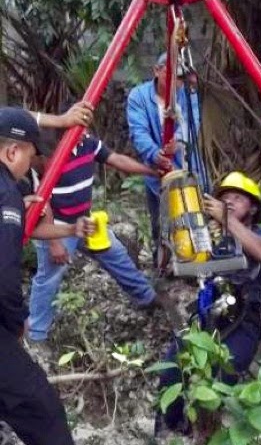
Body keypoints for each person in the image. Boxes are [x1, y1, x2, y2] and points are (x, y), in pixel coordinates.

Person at [28, 114, 170, 345]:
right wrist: (54, 242)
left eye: (84, 129)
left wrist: (150, 171)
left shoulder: (89, 145)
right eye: (78, 129)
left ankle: (146, 297)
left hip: (85, 222)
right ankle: (36, 335)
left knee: (116, 254)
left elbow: (117, 160)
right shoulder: (49, 154)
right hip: (58, 227)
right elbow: (41, 199)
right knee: (49, 279)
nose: (84, 134)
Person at [0, 107, 95, 445]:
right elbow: (3, 277)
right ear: (12, 151)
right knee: (43, 412)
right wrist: (17, 320)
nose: (31, 163)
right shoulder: (5, 190)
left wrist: (70, 227)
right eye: (29, 154)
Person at [156, 172, 261, 432]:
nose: (230, 201)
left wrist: (228, 219)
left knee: (222, 376)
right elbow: (172, 266)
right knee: (171, 372)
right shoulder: (205, 237)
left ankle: (203, 431)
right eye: (225, 197)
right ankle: (169, 431)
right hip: (206, 315)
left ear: (253, 208)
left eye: (237, 198)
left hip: (243, 320)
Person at [126, 52, 205, 260]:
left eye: (179, 77)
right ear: (156, 70)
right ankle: (162, 262)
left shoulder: (188, 95)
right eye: (170, 75)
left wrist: (177, 142)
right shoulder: (139, 96)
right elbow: (138, 131)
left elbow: (192, 122)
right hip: (157, 171)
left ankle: (196, 261)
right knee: (160, 221)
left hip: (187, 167)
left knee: (194, 215)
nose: (175, 82)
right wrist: (155, 153)